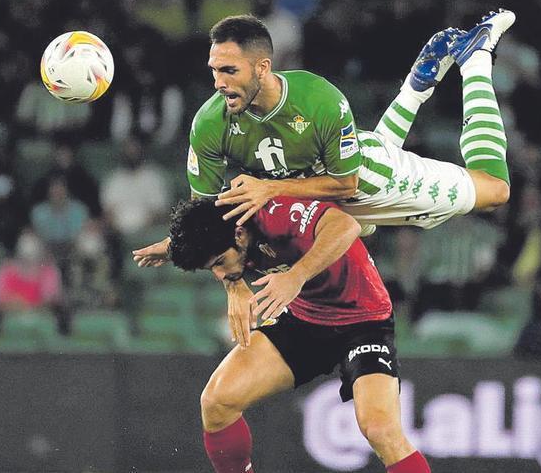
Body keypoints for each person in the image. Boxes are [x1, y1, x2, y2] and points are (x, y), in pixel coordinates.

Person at [134, 10, 515, 262]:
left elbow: (348, 182)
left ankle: (476, 57)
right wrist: (177, 244)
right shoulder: (209, 124)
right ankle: (416, 87)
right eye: (214, 70)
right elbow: (206, 218)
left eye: (229, 71)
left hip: (368, 182)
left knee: (495, 190)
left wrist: (270, 190)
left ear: (263, 67)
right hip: (323, 204)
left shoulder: (318, 99)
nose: (218, 83)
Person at [166, 197, 430, 473]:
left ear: (240, 233)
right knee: (216, 401)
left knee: (380, 430)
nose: (221, 274)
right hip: (303, 318)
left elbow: (345, 225)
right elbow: (188, 246)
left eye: (221, 262)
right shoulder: (219, 229)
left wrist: (296, 276)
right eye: (212, 269)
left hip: (363, 322)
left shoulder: (275, 214)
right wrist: (233, 287)